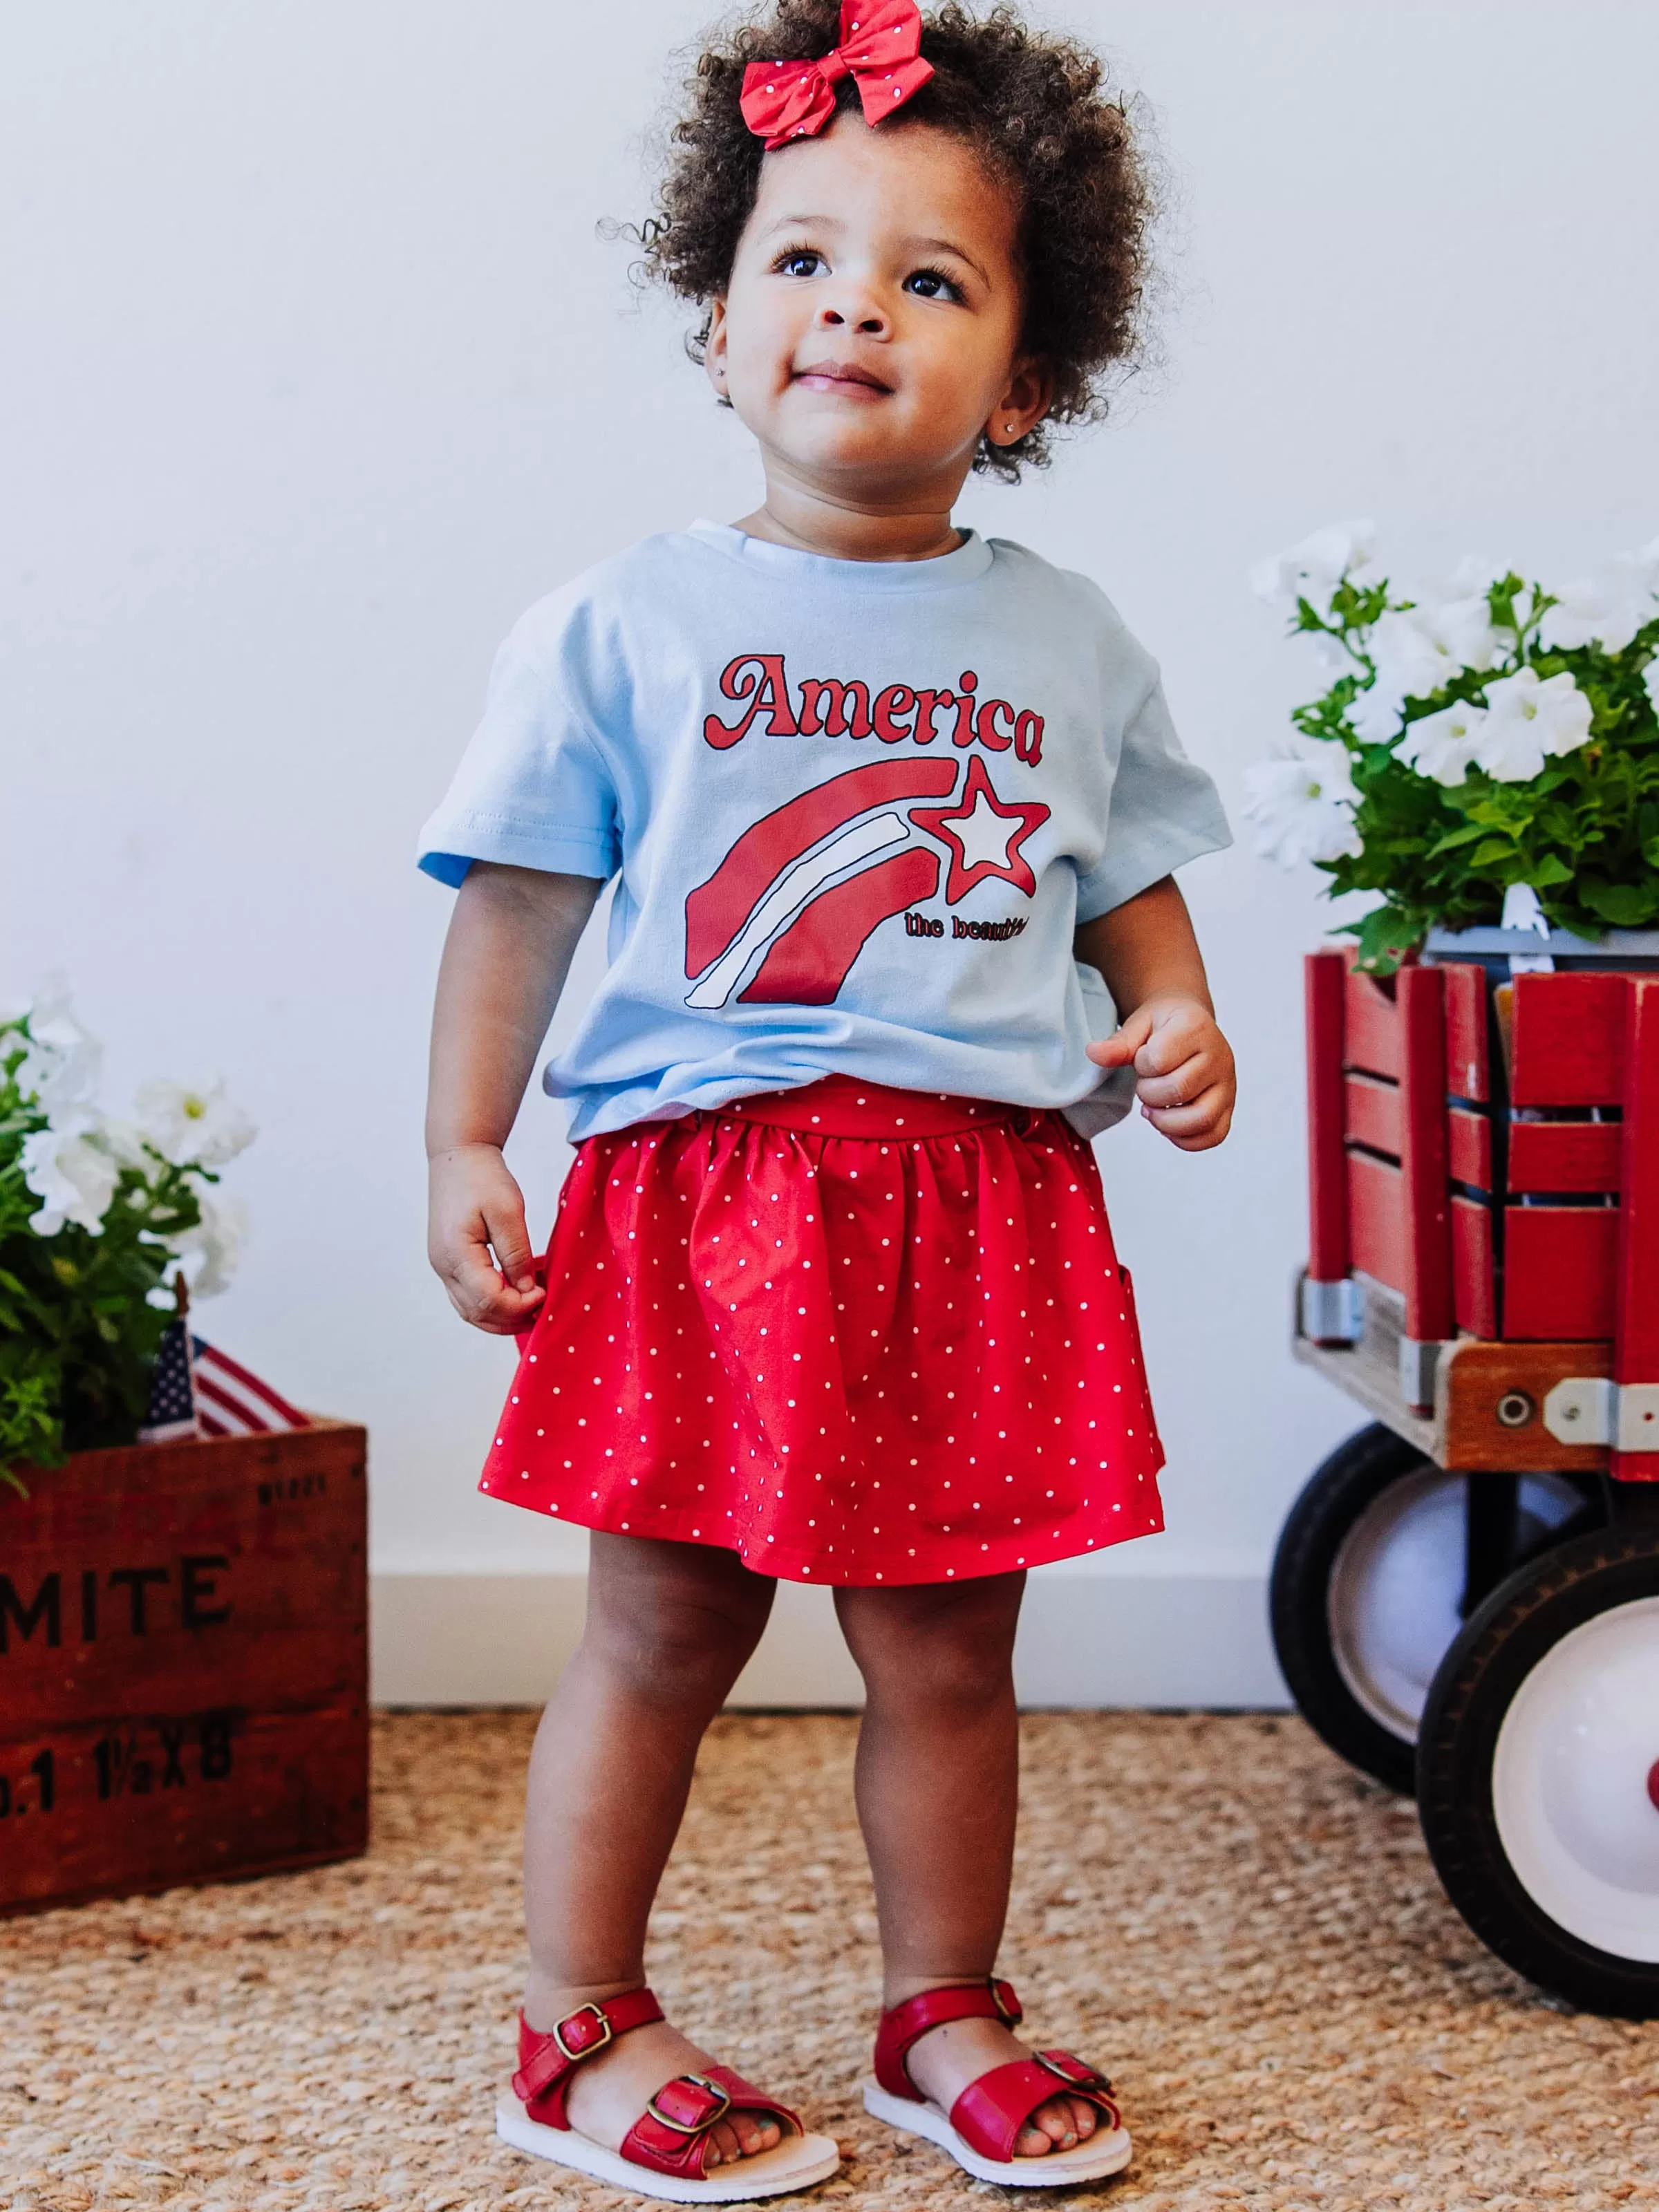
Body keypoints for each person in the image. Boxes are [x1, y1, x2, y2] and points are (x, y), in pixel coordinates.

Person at [421, 1, 1235, 2195]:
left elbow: (1129, 875)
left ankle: (938, 2003)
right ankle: (572, 2019)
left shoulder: (1069, 636)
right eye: (799, 260)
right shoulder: (624, 623)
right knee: (663, 1623)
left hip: (981, 1205)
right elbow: (520, 902)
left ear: (1029, 382)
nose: (853, 302)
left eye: (931, 277)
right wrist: (463, 1141)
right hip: (705, 1198)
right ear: (716, 329)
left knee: (954, 1648)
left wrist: (1174, 1017)